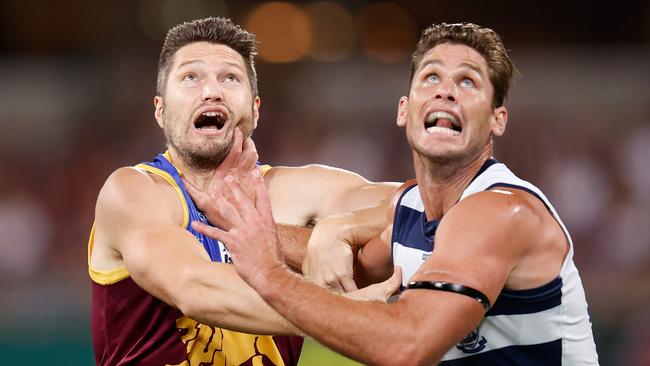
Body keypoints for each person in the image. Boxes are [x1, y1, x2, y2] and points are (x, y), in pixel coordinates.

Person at [192, 22, 600, 365]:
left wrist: (268, 274)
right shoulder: (410, 206)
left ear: (497, 120)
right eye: (432, 76)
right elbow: (354, 270)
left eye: (468, 82)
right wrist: (237, 223)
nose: (446, 91)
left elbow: (406, 344)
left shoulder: (499, 213)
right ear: (404, 110)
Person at [88, 17, 400, 366]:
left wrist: (340, 228)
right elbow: (194, 288)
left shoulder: (294, 190)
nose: (211, 91)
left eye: (230, 78)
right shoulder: (134, 191)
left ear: (254, 109)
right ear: (160, 110)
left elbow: (425, 207)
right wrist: (338, 313)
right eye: (190, 77)